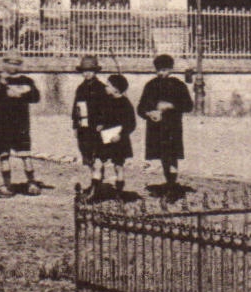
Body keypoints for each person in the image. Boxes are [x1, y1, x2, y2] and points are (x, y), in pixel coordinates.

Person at [72, 57, 136, 201]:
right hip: (85, 127)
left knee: (104, 160)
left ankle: (100, 189)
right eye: (84, 71)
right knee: (88, 156)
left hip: (101, 131)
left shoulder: (101, 89)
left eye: (90, 71)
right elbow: (76, 107)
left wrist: (102, 125)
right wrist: (75, 125)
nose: (87, 74)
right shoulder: (80, 88)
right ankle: (95, 185)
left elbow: (106, 112)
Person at [0, 49, 42, 197]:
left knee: (25, 154)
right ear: (4, 63)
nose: (13, 66)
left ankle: (32, 183)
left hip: (20, 123)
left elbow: (36, 97)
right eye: (10, 63)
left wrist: (22, 92)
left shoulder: (26, 81)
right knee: (4, 154)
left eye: (17, 64)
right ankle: (7, 185)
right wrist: (1, 90)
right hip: (0, 123)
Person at [138, 53, 194, 191]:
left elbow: (188, 105)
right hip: (156, 127)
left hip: (172, 126)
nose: (162, 73)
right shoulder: (150, 85)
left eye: (165, 70)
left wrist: (171, 105)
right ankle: (168, 181)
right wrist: (149, 113)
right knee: (162, 156)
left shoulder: (178, 85)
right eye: (159, 70)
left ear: (171, 69)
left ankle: (172, 183)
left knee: (172, 155)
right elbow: (140, 108)